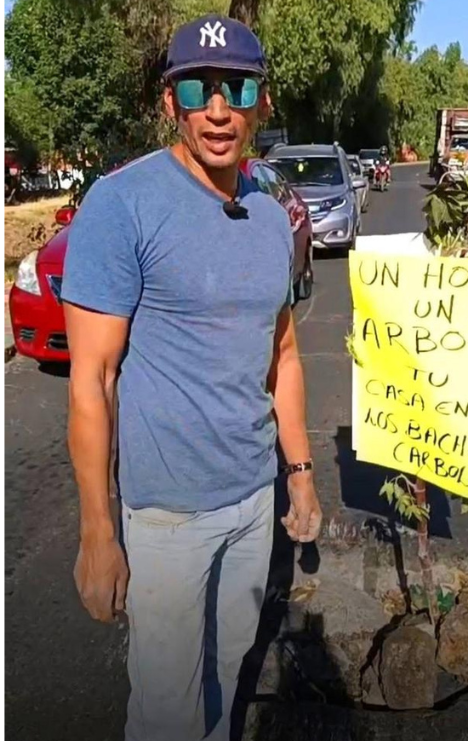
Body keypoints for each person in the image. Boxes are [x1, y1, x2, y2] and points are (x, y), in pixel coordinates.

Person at [61, 14, 322, 740]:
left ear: (261, 101)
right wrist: (96, 530)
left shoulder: (272, 220)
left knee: (230, 670)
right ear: (170, 101)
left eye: (236, 87)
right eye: (197, 89)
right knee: (167, 709)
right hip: (166, 516)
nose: (218, 108)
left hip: (250, 500)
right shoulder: (122, 205)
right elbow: (93, 377)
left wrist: (298, 473)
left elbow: (285, 356)